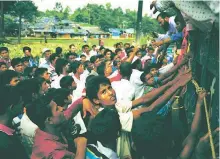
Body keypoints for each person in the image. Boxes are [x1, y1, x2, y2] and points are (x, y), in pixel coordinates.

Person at [0, 86, 28, 159]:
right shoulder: (5, 142)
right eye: (21, 102)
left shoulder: (7, 131)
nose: (23, 104)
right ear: (11, 107)